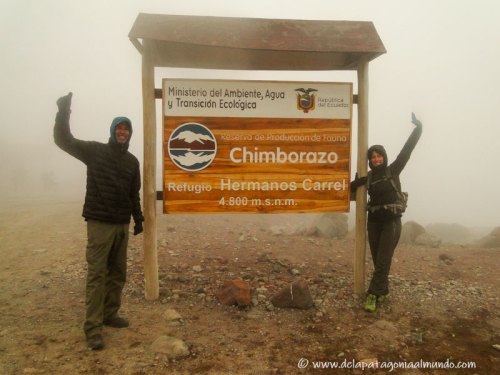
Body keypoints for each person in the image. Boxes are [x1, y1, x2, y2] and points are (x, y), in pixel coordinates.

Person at [54, 92, 144, 350]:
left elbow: (133, 193)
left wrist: (138, 220)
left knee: (118, 274)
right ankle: (93, 328)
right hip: (100, 224)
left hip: (122, 225)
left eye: (126, 129)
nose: (122, 132)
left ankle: (109, 314)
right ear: (112, 130)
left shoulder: (132, 162)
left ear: (130, 133)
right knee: (96, 275)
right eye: (119, 128)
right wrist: (64, 112)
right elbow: (63, 140)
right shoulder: (95, 151)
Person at [351, 113, 422, 312]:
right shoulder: (369, 177)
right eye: (372, 157)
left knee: (383, 260)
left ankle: (372, 295)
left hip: (391, 222)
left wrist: (418, 128)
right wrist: (356, 183)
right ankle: (383, 291)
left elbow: (407, 151)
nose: (376, 159)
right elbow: (351, 189)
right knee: (377, 260)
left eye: (378, 155)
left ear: (384, 156)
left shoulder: (394, 170)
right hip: (373, 222)